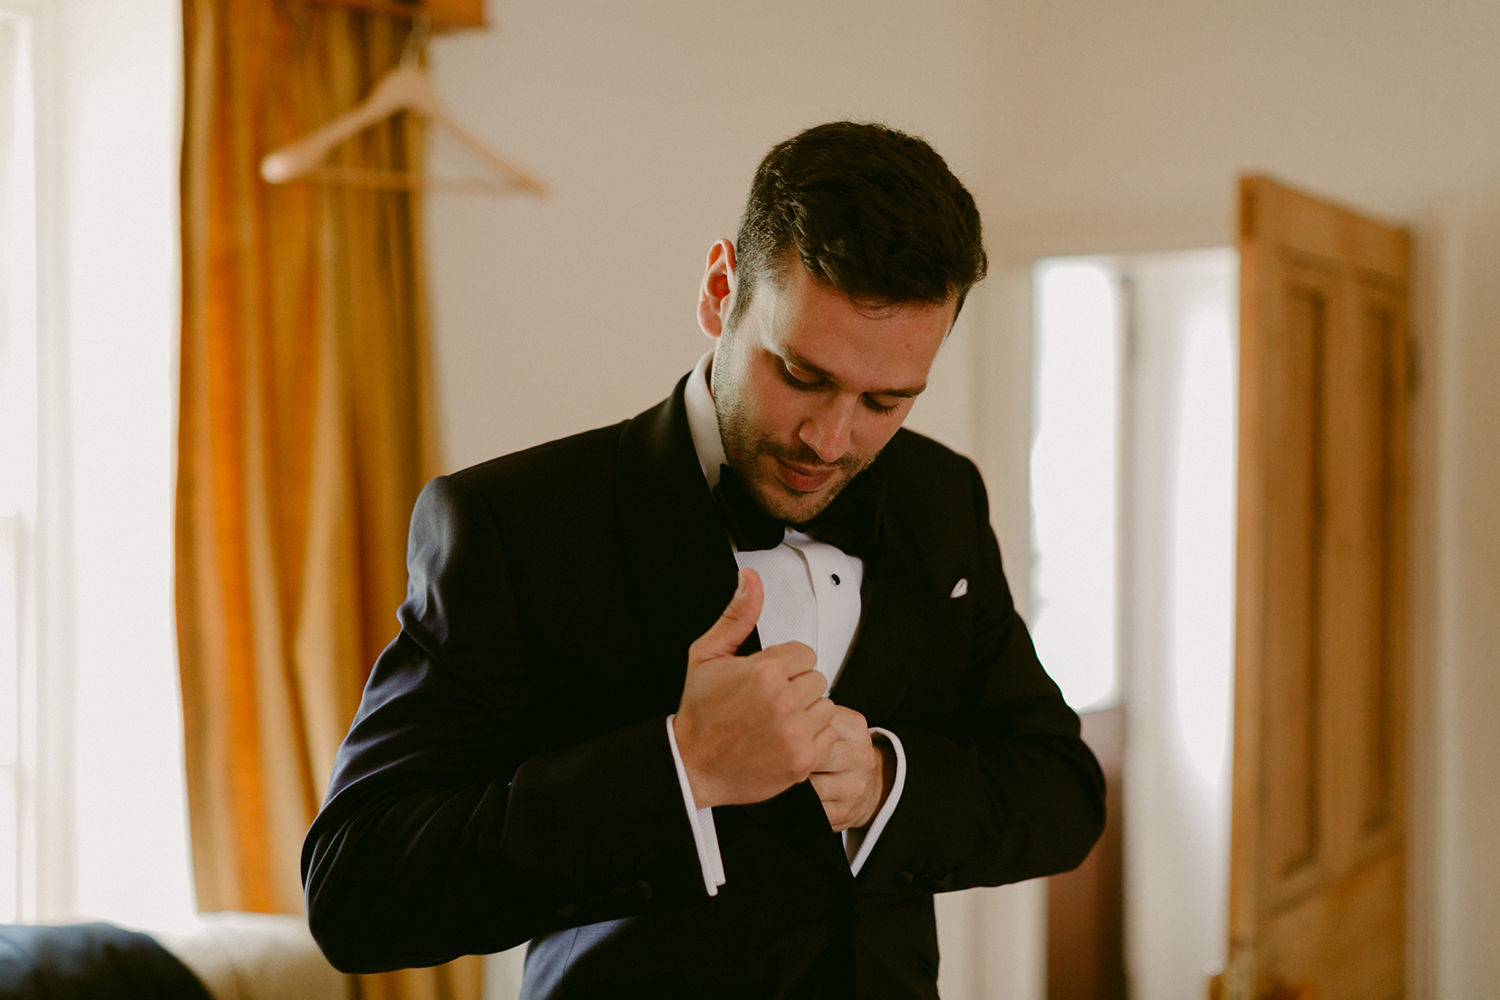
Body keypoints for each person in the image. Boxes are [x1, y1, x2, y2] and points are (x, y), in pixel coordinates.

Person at [302, 121, 1105, 1000]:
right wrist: (683, 767)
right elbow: (356, 887)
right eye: (800, 374)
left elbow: (1060, 791)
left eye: (885, 401)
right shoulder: (515, 524)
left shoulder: (939, 497)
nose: (831, 441)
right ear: (722, 290)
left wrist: (880, 777)